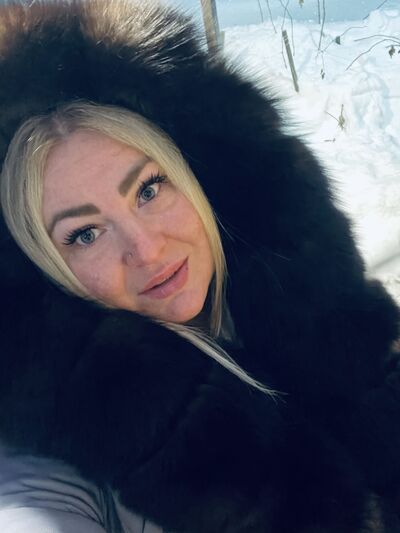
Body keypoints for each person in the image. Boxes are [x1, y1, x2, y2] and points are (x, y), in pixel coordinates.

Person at [0, 0, 400, 532]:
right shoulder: (60, 454)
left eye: (148, 189)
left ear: (196, 180)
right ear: (42, 270)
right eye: (85, 234)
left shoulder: (315, 320)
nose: (147, 249)